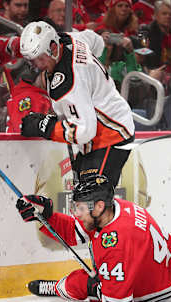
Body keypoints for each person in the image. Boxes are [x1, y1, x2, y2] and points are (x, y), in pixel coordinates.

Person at [15, 174, 171, 302]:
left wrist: (85, 286)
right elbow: (76, 231)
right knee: (132, 259)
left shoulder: (116, 242)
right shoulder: (116, 207)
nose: (76, 213)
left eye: (80, 208)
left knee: (85, 281)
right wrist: (47, 217)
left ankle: (60, 287)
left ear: (99, 206)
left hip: (164, 288)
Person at [19, 21, 135, 188]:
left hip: (111, 135)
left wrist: (45, 127)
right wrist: (91, 76)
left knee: (92, 203)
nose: (38, 65)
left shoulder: (70, 83)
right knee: (84, 201)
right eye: (33, 61)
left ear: (52, 48)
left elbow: (84, 131)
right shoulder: (70, 39)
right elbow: (97, 41)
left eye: (41, 58)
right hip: (105, 130)